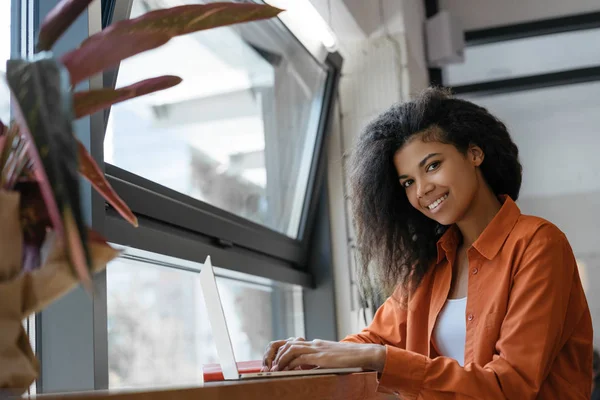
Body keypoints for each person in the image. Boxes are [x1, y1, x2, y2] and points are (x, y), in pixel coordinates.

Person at [262, 88, 593, 399]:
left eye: (432, 165)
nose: (422, 190)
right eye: (408, 181)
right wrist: (311, 354)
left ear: (474, 153)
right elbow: (375, 339)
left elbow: (509, 386)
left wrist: (380, 358)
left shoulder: (538, 244)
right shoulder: (428, 265)